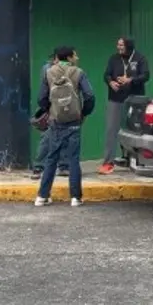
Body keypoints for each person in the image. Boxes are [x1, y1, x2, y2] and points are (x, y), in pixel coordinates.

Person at [35, 46, 95, 207]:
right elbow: (89, 95)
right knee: (73, 158)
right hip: (74, 120)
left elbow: (41, 98)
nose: (77, 57)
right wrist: (84, 112)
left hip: (55, 120)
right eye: (75, 55)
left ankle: (42, 196)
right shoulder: (78, 72)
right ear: (69, 57)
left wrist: (50, 110)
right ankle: (76, 197)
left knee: (51, 158)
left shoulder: (48, 72)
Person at [99, 37, 149, 175]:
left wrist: (130, 80)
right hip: (115, 99)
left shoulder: (140, 58)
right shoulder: (113, 58)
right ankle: (108, 163)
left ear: (129, 46)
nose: (118, 47)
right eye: (118, 44)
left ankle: (135, 160)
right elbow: (106, 74)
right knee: (111, 130)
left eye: (121, 45)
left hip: (134, 100)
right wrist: (110, 82)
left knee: (136, 131)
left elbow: (146, 75)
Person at [31, 52, 69, 180]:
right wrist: (46, 108)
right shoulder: (49, 70)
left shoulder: (58, 69)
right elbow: (46, 91)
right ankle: (39, 166)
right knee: (48, 137)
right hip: (54, 107)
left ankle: (62, 166)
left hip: (61, 107)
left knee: (62, 136)